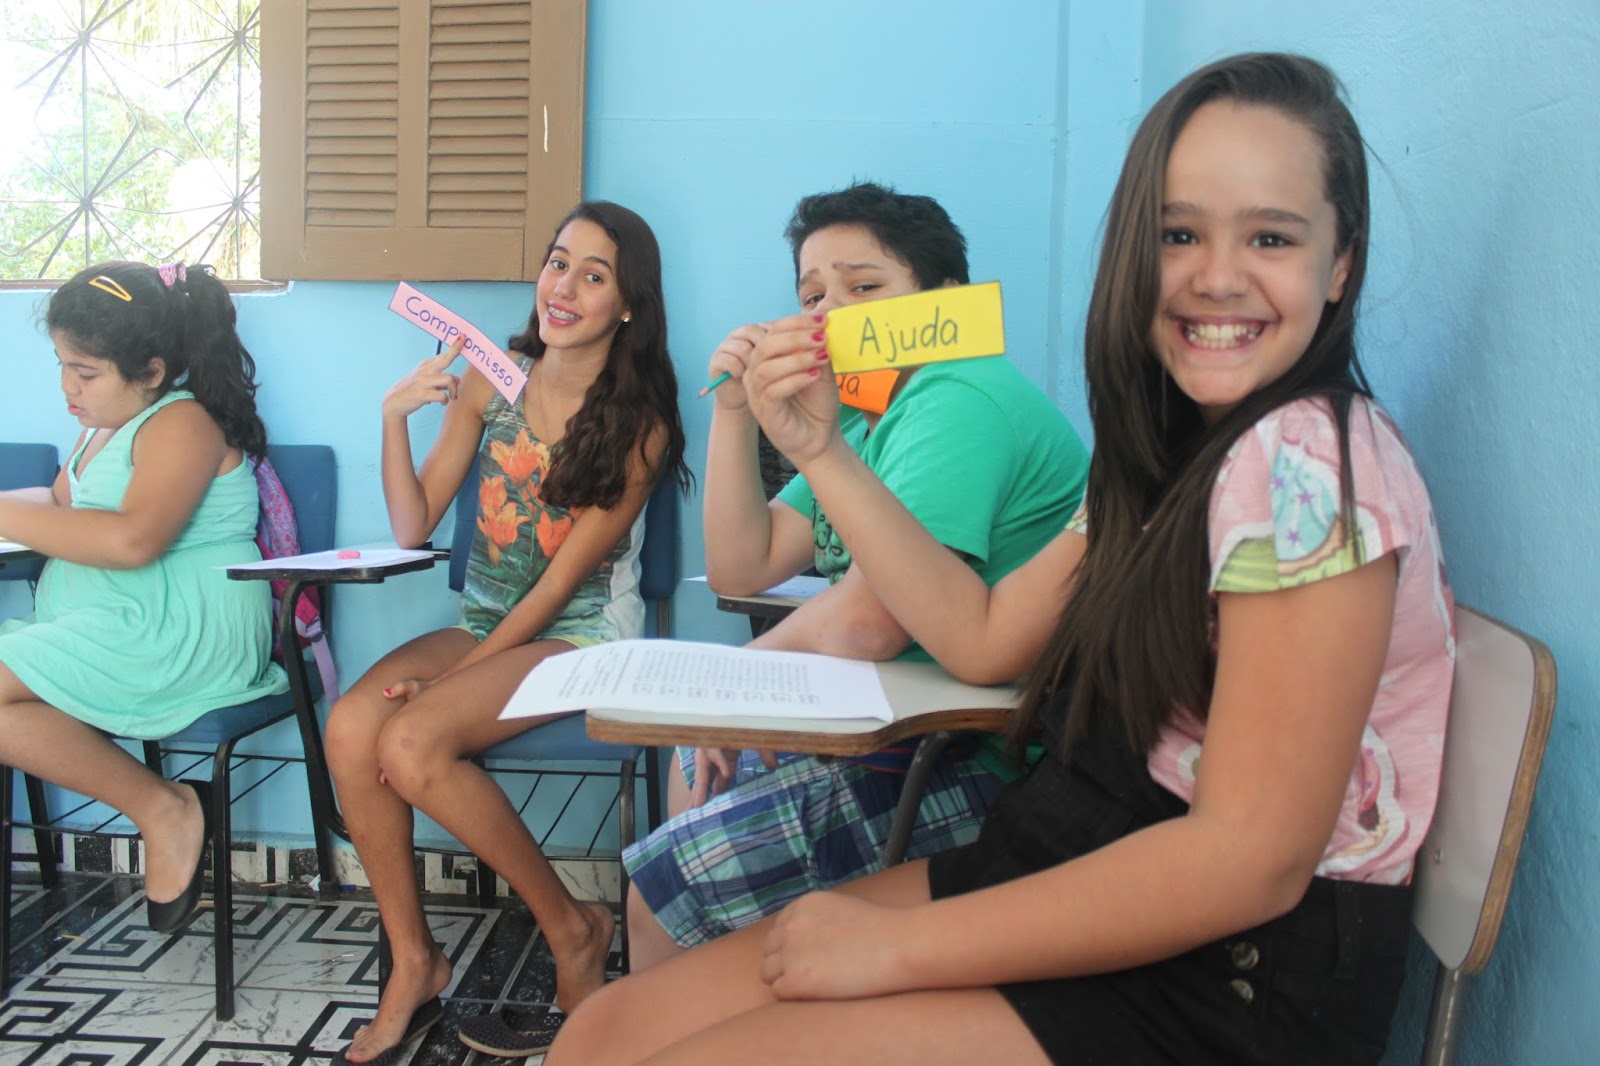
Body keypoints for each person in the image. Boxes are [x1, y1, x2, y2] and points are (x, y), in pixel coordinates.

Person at [548, 53, 1455, 1066]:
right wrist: (814, 448)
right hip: (1074, 846)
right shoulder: (1159, 453)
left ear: (1342, 262)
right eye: (1179, 234)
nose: (1217, 275)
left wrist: (896, 946)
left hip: (1218, 976)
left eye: (1272, 237)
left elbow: (1249, 860)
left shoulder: (1306, 466)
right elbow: (983, 639)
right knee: (603, 1033)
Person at [622, 182, 1090, 975]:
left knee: (661, 887)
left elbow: (872, 620)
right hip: (900, 727)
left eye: (863, 287)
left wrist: (738, 681)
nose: (830, 314)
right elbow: (744, 565)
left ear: (943, 299)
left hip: (983, 759)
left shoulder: (955, 394)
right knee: (696, 772)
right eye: (813, 296)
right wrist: (734, 414)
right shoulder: (867, 419)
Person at [320, 201, 689, 1065]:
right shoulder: (494, 380)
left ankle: (573, 928)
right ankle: (416, 961)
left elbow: (559, 588)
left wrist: (452, 685)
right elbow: (412, 527)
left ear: (626, 305)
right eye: (558, 263)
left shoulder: (639, 425)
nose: (564, 287)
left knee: (411, 741)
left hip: (584, 636)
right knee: (351, 727)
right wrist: (393, 417)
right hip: (488, 622)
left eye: (594, 275)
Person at [0, 260, 287, 936]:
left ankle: (164, 809)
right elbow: (61, 505)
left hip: (179, 628)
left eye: (85, 372)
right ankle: (162, 805)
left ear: (152, 371)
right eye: (62, 365)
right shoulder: (104, 422)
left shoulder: (181, 422)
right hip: (111, 621)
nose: (67, 386)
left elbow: (134, 541)